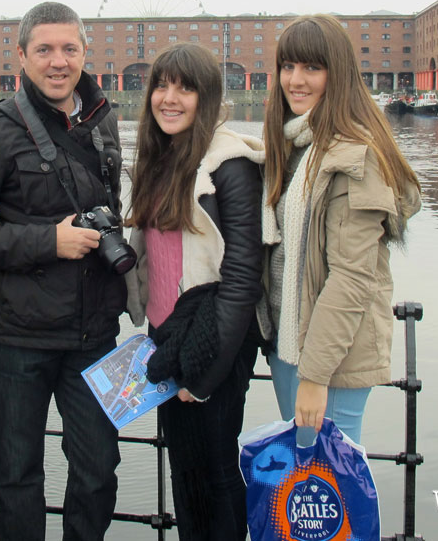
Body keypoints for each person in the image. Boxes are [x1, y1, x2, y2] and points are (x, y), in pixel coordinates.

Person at [0, 1, 126, 541]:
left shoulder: (104, 121)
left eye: (69, 49)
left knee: (98, 469)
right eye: (44, 49)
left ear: (84, 53)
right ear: (21, 56)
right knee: (17, 473)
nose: (58, 61)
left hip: (94, 331)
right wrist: (50, 241)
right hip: (17, 334)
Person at [124, 44, 265, 540]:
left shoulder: (231, 166)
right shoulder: (160, 159)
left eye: (185, 87)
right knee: (185, 471)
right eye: (162, 85)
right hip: (167, 339)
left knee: (217, 470)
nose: (170, 97)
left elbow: (244, 276)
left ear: (207, 98)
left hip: (214, 343)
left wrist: (205, 373)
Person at [259, 14, 421, 445]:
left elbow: (351, 278)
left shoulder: (354, 158)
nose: (296, 80)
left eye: (312, 68)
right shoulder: (297, 146)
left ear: (339, 74)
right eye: (288, 66)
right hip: (290, 347)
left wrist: (315, 376)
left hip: (330, 362)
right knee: (307, 485)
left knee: (332, 488)